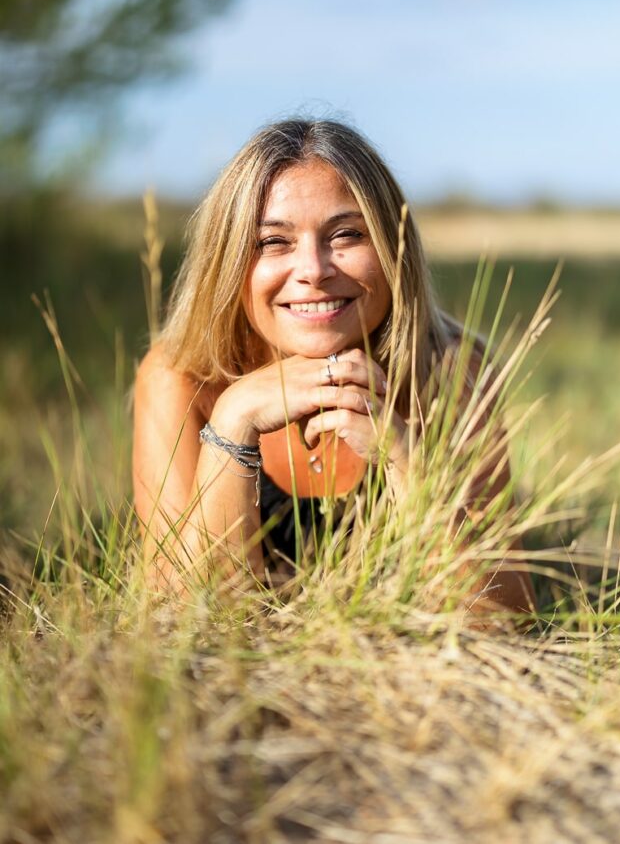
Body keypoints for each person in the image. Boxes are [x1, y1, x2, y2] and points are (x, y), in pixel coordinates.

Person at [133, 118, 534, 613]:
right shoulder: (182, 378)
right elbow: (182, 618)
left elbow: (504, 620)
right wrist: (233, 420)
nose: (314, 271)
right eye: (273, 242)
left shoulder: (451, 370)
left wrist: (403, 457)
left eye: (345, 235)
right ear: (229, 261)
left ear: (393, 250)